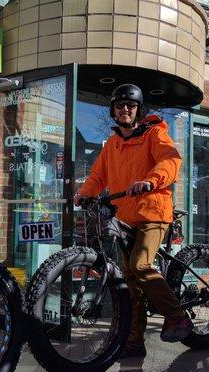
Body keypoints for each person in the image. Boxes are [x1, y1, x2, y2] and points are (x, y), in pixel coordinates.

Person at [74, 84, 192, 358]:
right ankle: (134, 342)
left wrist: (150, 180)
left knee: (140, 265)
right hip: (125, 218)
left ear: (139, 109)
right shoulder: (113, 143)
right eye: (119, 106)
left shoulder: (155, 133)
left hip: (153, 213)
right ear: (113, 111)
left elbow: (171, 161)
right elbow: (97, 176)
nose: (125, 110)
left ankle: (177, 317)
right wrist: (83, 194)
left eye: (131, 105)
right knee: (130, 283)